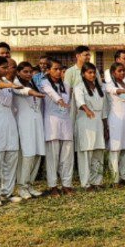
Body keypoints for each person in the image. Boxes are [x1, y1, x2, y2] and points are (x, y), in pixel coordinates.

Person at [0, 56, 29, 206]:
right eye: (3, 67)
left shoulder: (9, 83)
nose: (7, 70)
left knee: (12, 156)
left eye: (7, 67)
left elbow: (23, 90)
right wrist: (10, 85)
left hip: (10, 122)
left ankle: (7, 192)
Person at [39, 58, 74, 197]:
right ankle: (53, 186)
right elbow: (52, 93)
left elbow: (68, 102)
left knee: (67, 156)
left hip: (66, 122)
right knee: (52, 158)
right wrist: (59, 100)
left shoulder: (66, 85)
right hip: (51, 123)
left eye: (60, 69)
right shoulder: (43, 83)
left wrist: (63, 103)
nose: (59, 72)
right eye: (55, 69)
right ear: (48, 70)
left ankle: (66, 184)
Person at [13, 62, 47, 199]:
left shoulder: (33, 84)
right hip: (24, 123)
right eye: (25, 72)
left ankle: (30, 184)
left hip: (37, 122)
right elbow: (23, 91)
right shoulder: (16, 84)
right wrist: (34, 93)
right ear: (18, 72)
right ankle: (22, 186)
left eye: (30, 72)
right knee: (27, 155)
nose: (28, 74)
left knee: (38, 153)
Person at [74, 63, 108, 191]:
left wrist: (105, 127)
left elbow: (104, 109)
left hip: (98, 121)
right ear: (83, 74)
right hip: (86, 120)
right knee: (86, 152)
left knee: (98, 151)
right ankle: (86, 183)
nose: (92, 75)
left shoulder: (100, 88)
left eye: (94, 72)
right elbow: (80, 101)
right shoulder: (79, 87)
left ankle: (97, 181)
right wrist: (87, 110)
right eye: (89, 72)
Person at [106, 62, 125, 187]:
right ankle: (115, 179)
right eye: (119, 71)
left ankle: (124, 177)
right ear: (113, 73)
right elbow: (113, 90)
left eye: (123, 70)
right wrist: (121, 90)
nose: (122, 73)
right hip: (115, 119)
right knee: (115, 149)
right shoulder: (109, 84)